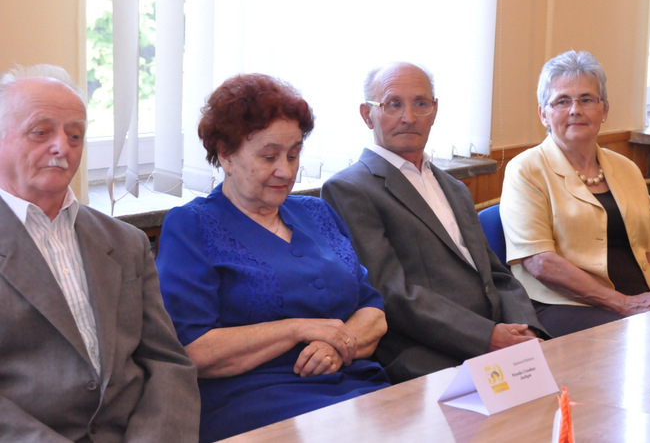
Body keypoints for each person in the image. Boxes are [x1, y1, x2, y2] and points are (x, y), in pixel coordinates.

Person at [156, 73, 390, 442]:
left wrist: (335, 345)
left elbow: (372, 311)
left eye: (293, 154)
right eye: (269, 156)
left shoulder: (316, 212)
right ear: (226, 155)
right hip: (253, 401)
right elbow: (194, 350)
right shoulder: (192, 225)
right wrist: (298, 328)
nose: (286, 170)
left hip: (351, 382)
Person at [0, 64, 199, 441]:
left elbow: (167, 363)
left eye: (75, 135)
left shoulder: (126, 242)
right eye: (41, 132)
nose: (62, 147)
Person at [321, 61, 547, 384]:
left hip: (499, 339)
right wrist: (487, 337)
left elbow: (496, 274)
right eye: (393, 104)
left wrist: (526, 330)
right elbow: (390, 292)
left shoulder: (453, 187)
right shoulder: (349, 189)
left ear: (435, 110)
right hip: (428, 352)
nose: (409, 117)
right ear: (366, 114)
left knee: (572, 397)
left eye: (421, 103)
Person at [500, 50, 650, 337]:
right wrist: (624, 304)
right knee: (640, 339)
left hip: (639, 301)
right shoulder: (526, 170)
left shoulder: (627, 169)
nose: (575, 110)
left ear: (604, 110)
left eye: (586, 99)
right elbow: (540, 262)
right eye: (562, 101)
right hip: (563, 305)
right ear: (543, 114)